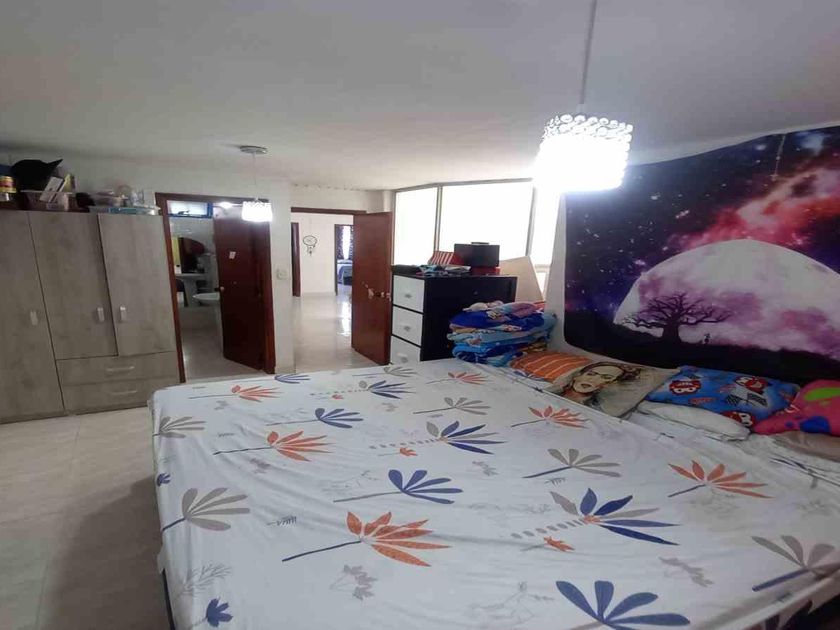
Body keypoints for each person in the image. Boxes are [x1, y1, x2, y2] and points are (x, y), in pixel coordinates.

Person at [554, 362, 641, 409]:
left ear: (610, 384)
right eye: (591, 374)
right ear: (578, 375)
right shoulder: (552, 391)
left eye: (606, 377)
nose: (592, 380)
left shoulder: (597, 408)